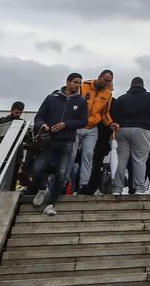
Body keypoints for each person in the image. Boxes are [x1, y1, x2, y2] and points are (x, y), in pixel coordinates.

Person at [31, 74, 88, 216]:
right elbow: (39, 116)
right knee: (37, 168)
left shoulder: (81, 101)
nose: (77, 85)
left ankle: (51, 204)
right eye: (75, 82)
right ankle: (42, 189)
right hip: (49, 140)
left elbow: (83, 121)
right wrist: (42, 125)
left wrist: (66, 125)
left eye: (80, 83)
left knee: (62, 173)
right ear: (67, 82)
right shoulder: (52, 98)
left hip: (67, 141)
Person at [72, 70, 115, 195]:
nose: (107, 83)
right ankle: (64, 183)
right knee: (71, 155)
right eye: (106, 80)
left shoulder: (107, 94)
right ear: (99, 77)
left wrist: (110, 123)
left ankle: (83, 184)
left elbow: (105, 113)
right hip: (78, 125)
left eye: (109, 81)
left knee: (88, 155)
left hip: (92, 128)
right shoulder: (84, 86)